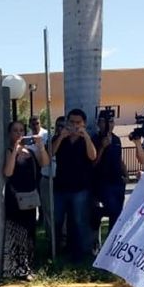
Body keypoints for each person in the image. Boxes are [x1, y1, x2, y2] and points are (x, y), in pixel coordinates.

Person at [3, 120, 49, 279]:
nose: (19, 134)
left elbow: (45, 163)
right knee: (16, 234)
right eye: (15, 131)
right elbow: (8, 172)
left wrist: (40, 146)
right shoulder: (9, 150)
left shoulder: (31, 151)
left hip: (30, 197)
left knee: (29, 234)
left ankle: (28, 266)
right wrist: (15, 151)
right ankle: (16, 269)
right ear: (10, 134)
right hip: (15, 199)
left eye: (21, 131)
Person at [52, 108, 97, 261]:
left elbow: (93, 156)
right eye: (72, 122)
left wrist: (86, 137)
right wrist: (61, 137)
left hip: (80, 188)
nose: (75, 125)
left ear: (84, 124)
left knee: (78, 221)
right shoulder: (59, 137)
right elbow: (50, 153)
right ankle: (55, 250)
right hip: (61, 187)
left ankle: (79, 253)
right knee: (57, 220)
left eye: (78, 122)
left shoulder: (87, 139)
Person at [91, 109, 128, 233]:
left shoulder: (117, 139)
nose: (108, 125)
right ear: (98, 123)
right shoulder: (95, 139)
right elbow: (93, 162)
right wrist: (102, 147)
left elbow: (119, 159)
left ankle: (110, 242)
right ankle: (97, 213)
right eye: (104, 122)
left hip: (118, 181)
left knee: (117, 215)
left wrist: (126, 174)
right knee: (113, 209)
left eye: (111, 121)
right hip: (103, 182)